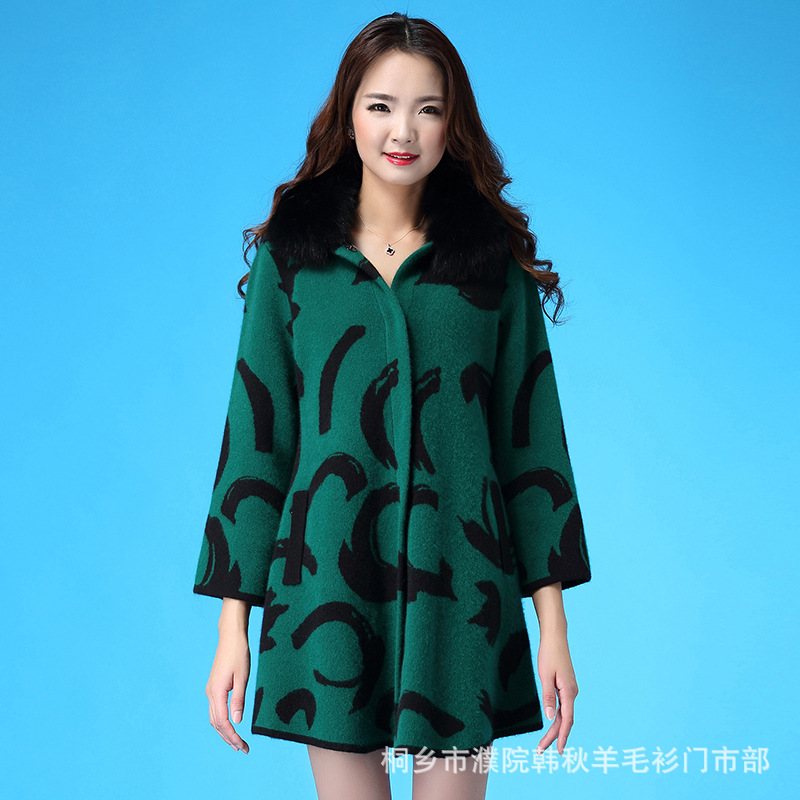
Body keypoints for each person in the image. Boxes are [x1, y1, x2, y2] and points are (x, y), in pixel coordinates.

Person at [192, 12, 591, 800]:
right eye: (380, 105)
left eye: (427, 109)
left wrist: (554, 628)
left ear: (452, 125)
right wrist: (232, 627)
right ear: (349, 113)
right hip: (326, 595)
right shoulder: (293, 261)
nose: (402, 131)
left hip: (464, 596)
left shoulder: (489, 265)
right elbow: (257, 440)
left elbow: (532, 445)